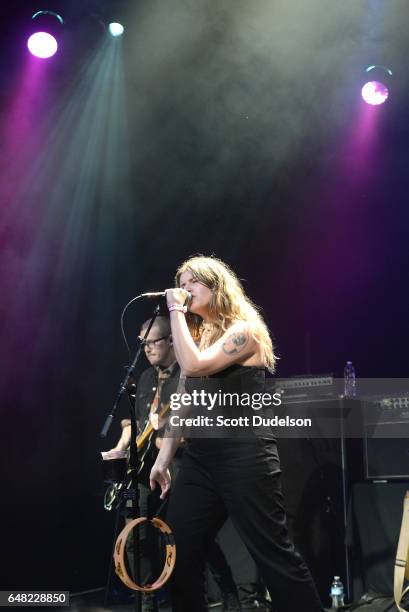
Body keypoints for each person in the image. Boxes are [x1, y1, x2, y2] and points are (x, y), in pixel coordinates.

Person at [149, 255, 324, 612]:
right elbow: (183, 397)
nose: (182, 291)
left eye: (191, 284)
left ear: (216, 286)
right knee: (179, 545)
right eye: (179, 285)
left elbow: (194, 366)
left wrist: (175, 311)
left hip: (245, 455)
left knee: (272, 552)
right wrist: (164, 458)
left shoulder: (245, 331)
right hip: (201, 458)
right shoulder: (198, 336)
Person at [106, 315, 241, 612]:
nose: (147, 349)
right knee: (136, 535)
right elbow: (133, 426)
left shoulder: (189, 373)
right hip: (143, 469)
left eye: (152, 342)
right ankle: (148, 602)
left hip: (181, 467)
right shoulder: (143, 378)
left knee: (191, 536)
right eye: (143, 344)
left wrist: (171, 434)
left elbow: (199, 423)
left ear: (170, 341)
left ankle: (227, 591)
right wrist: (118, 450)